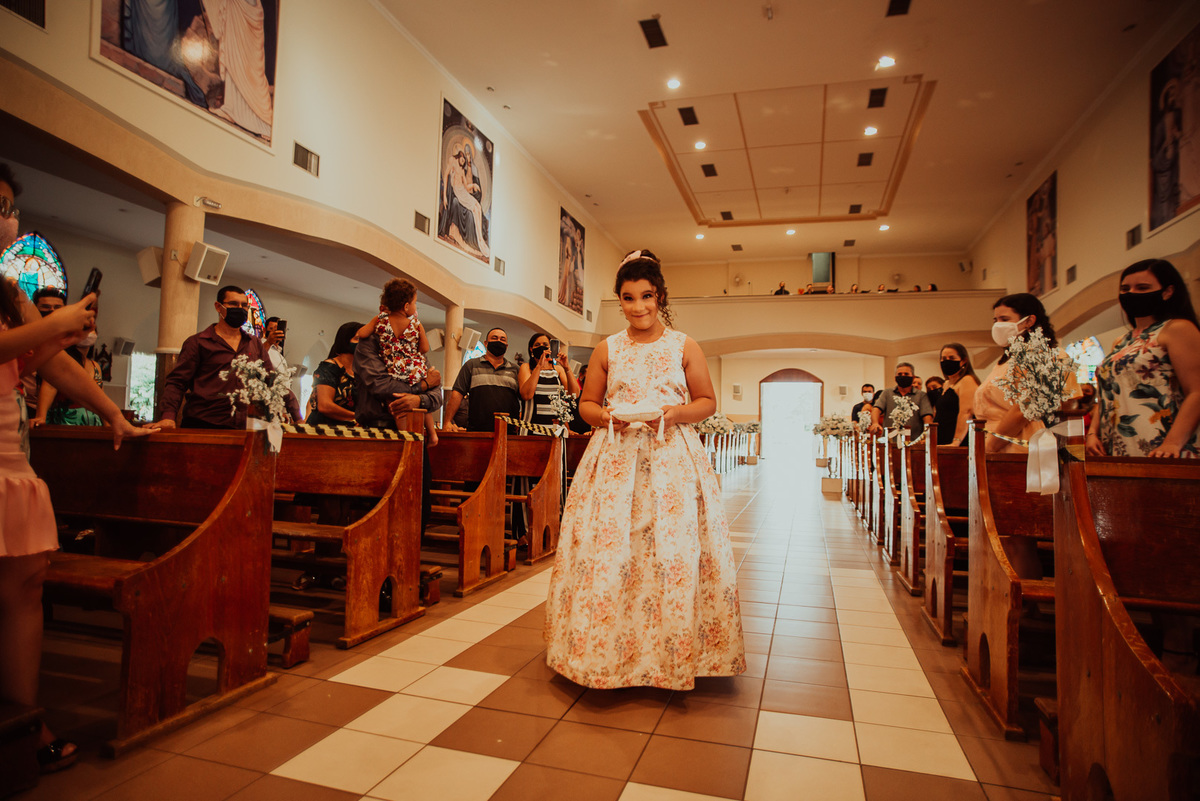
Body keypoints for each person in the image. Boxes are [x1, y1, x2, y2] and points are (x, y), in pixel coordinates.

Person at [0, 163, 152, 773]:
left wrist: (113, 413)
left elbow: (50, 362)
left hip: (7, 457)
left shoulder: (7, 293)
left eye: (8, 207)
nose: (4, 218)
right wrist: (55, 325)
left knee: (22, 591)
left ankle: (22, 725)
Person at [545, 249, 745, 689]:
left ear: (660, 297)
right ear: (619, 301)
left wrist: (673, 413)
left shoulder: (683, 345)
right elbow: (587, 406)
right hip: (615, 460)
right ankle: (605, 654)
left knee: (670, 554)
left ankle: (672, 655)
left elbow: (707, 402)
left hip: (672, 459)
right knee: (612, 553)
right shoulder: (607, 348)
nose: (638, 307)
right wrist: (610, 417)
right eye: (629, 298)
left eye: (647, 296)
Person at [1087, 259, 1200, 458]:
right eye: (1125, 289)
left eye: (1142, 288)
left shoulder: (1177, 329)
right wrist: (1092, 433)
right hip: (1116, 445)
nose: (1131, 294)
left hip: (1163, 445)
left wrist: (1172, 443)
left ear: (1168, 292)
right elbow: (1108, 392)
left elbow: (1197, 391)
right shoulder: (1121, 341)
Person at [157, 285, 300, 428]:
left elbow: (272, 381)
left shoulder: (254, 344)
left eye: (244, 305)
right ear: (218, 307)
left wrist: (297, 417)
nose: (240, 309)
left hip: (243, 426)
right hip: (203, 424)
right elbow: (177, 383)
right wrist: (168, 417)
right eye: (233, 304)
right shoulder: (198, 342)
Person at [974, 293, 1078, 454]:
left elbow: (1023, 409)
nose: (998, 325)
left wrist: (991, 447)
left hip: (1020, 447)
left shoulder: (1047, 356)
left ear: (1029, 321)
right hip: (995, 445)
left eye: (1004, 319)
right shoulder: (1007, 360)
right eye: (996, 320)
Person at [356, 280, 439, 445]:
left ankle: (408, 438)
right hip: (379, 430)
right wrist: (422, 386)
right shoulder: (416, 325)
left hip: (393, 369)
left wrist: (420, 398)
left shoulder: (379, 321)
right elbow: (425, 348)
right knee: (407, 400)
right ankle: (430, 434)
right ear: (407, 306)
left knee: (404, 403)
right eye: (416, 303)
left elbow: (361, 332)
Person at [442, 328, 520, 433]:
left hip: (508, 432)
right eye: (494, 338)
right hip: (477, 431)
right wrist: (447, 422)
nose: (498, 341)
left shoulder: (515, 369)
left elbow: (525, 397)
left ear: (506, 346)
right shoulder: (471, 365)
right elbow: (456, 395)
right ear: (486, 343)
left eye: (502, 339)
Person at [35, 333, 103, 426]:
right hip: (67, 421)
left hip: (93, 422)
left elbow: (101, 398)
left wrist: (108, 425)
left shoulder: (96, 366)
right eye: (84, 328)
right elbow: (49, 387)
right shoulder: (61, 362)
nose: (89, 332)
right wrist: (40, 417)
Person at [306, 321, 361, 426]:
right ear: (345, 340)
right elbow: (325, 406)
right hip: (324, 429)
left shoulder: (362, 371)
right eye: (358, 339)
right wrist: (356, 417)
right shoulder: (329, 367)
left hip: (351, 430)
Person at [519, 332, 580, 427]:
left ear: (550, 349)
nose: (541, 347)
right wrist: (539, 366)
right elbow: (527, 395)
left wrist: (567, 367)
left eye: (545, 345)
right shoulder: (526, 367)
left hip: (555, 428)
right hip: (531, 427)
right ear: (531, 349)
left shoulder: (558, 370)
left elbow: (574, 394)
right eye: (537, 345)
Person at [869, 363, 933, 439]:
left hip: (914, 442)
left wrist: (927, 436)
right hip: (889, 442)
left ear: (913, 377)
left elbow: (927, 416)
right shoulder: (887, 393)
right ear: (895, 378)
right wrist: (875, 423)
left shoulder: (921, 395)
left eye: (906, 374)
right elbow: (876, 409)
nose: (902, 376)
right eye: (899, 374)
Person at [933, 343, 980, 445]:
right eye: (943, 358)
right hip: (942, 439)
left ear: (963, 361)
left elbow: (966, 413)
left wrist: (956, 441)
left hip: (959, 441)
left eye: (952, 358)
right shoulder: (946, 384)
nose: (947, 361)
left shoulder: (967, 380)